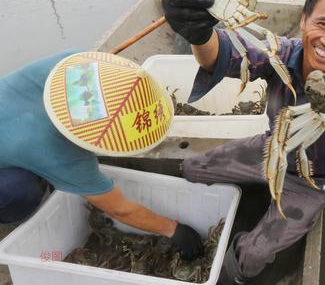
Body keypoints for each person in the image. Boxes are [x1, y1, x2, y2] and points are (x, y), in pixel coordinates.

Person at [163, 0, 325, 284]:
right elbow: (226, 54)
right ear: (304, 20)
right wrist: (199, 34)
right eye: (322, 24)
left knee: (253, 255)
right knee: (192, 168)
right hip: (269, 150)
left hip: (313, 180)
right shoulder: (280, 54)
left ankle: (228, 275)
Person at [0, 51, 203, 260]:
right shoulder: (63, 156)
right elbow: (120, 209)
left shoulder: (73, 63)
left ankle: (26, 164)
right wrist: (173, 229)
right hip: (25, 156)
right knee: (18, 193)